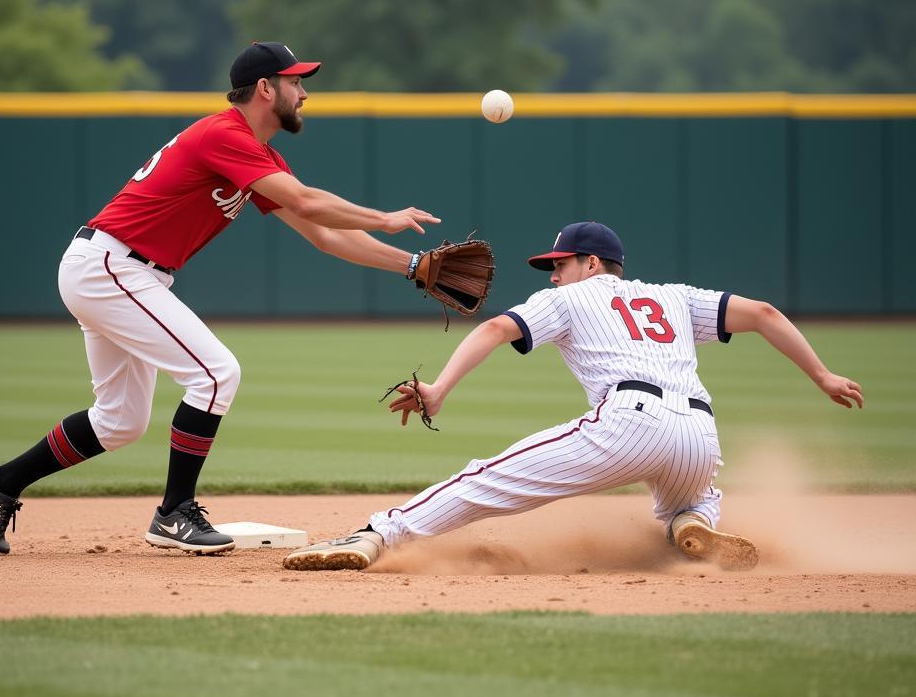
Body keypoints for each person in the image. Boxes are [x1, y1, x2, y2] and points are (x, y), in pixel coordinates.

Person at [0, 41, 441, 556]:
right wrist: (386, 217)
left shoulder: (253, 153)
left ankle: (1, 482)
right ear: (265, 88)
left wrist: (412, 265)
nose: (303, 93)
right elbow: (307, 200)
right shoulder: (224, 134)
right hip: (114, 267)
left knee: (120, 420)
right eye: (296, 82)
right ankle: (173, 514)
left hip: (115, 270)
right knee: (215, 374)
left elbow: (322, 232)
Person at [283, 220, 864, 572]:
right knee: (690, 496)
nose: (552, 275)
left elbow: (493, 328)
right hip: (698, 432)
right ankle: (691, 522)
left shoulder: (570, 299)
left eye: (559, 264)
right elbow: (762, 313)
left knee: (487, 478)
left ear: (592, 263)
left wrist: (438, 388)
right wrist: (823, 376)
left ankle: (378, 535)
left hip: (629, 422)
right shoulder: (671, 297)